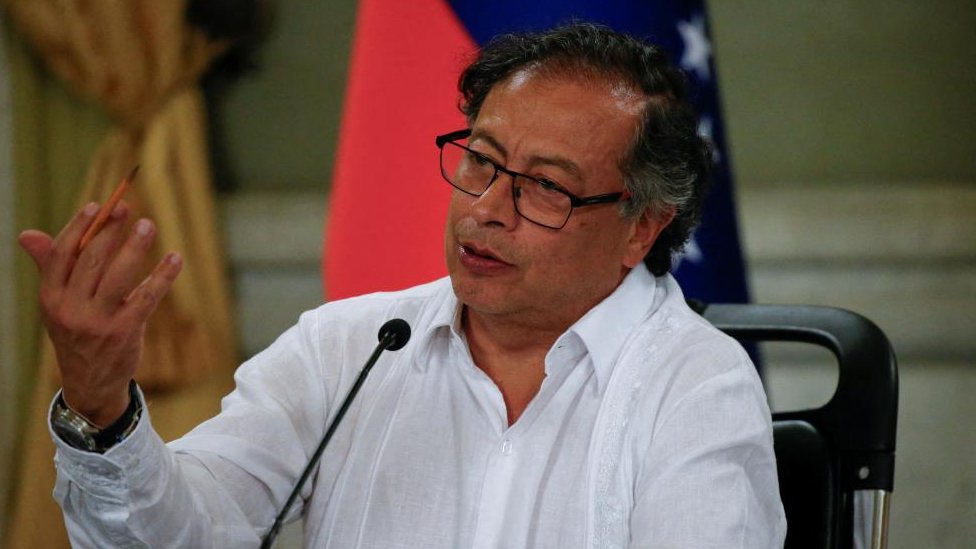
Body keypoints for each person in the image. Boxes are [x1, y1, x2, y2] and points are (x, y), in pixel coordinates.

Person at [19, 23, 786, 548]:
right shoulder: (348, 348)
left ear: (640, 228)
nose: (486, 209)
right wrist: (102, 405)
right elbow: (177, 535)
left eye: (545, 187)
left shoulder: (697, 386)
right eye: (481, 160)